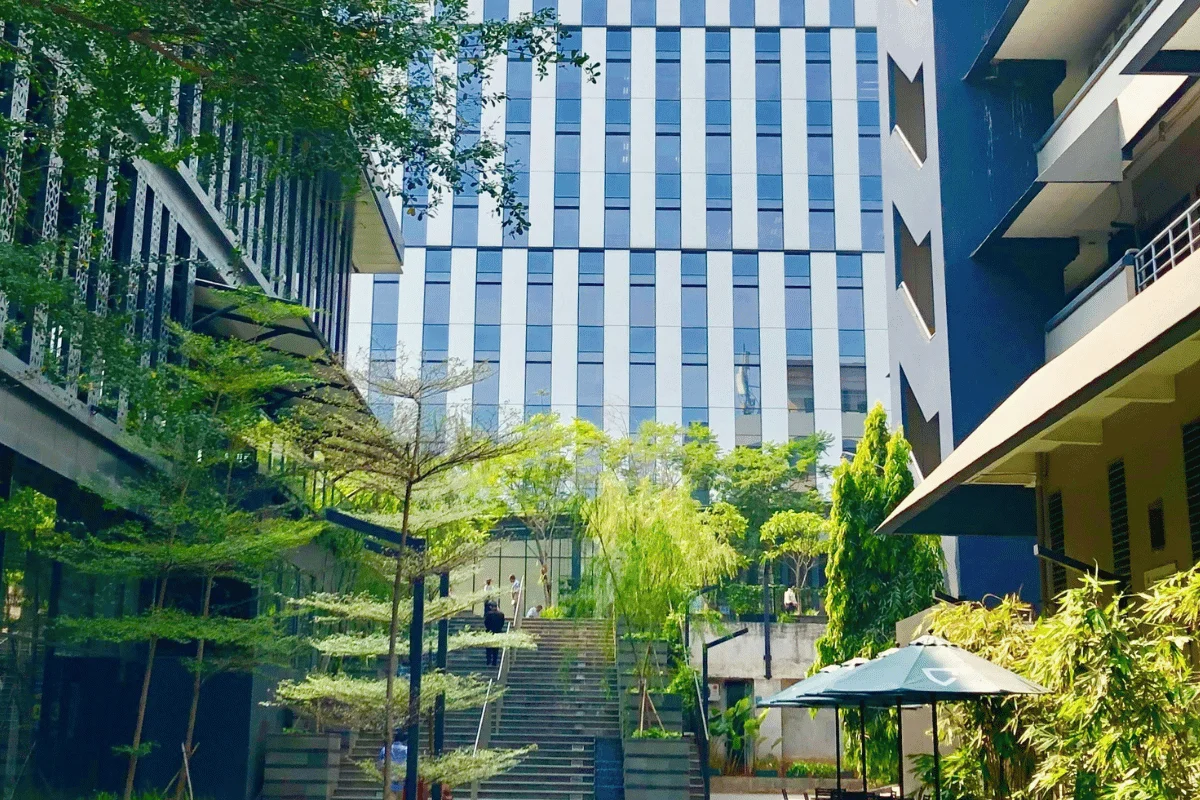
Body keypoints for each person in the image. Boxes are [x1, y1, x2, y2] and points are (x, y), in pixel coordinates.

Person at [483, 601, 505, 667]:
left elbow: (486, 623)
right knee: (496, 648)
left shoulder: (488, 614)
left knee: (488, 648)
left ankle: (488, 661)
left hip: (489, 632)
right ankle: (494, 662)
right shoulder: (501, 615)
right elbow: (502, 623)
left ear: (490, 607)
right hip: (498, 632)